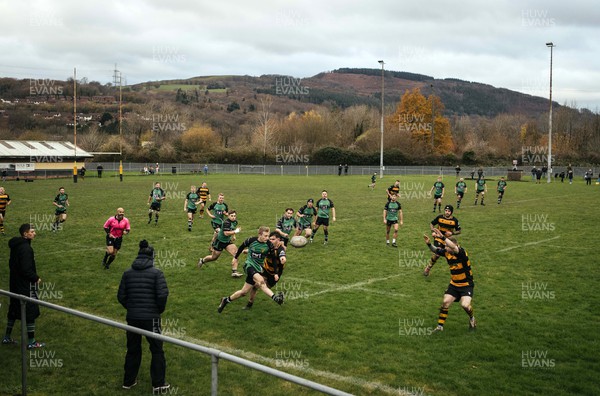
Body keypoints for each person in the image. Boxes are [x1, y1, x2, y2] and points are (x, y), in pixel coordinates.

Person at [117, 240, 170, 392]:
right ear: (152, 257)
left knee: (133, 349)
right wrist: (157, 310)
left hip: (132, 317)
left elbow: (121, 296)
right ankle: (158, 384)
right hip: (151, 317)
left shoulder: (127, 273)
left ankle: (128, 381)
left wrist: (132, 308)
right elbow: (162, 295)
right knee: (157, 349)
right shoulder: (157, 273)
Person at [217, 227, 284, 313]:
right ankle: (276, 298)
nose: (267, 238)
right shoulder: (251, 240)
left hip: (258, 268)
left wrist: (275, 273)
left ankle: (225, 300)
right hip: (248, 265)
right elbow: (241, 246)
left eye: (268, 236)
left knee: (243, 292)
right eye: (265, 236)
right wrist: (235, 258)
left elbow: (274, 259)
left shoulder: (269, 245)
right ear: (259, 235)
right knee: (261, 281)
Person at [424, 228, 476, 332]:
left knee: (465, 305)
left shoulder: (461, 252)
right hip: (454, 284)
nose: (445, 247)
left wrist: (443, 237)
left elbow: (453, 247)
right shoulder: (447, 252)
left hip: (466, 285)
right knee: (445, 302)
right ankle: (440, 327)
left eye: (447, 246)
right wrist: (429, 244)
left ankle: (472, 318)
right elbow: (436, 250)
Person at [2, 224, 45, 348]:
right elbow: (26, 269)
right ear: (25, 234)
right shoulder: (26, 249)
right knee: (30, 310)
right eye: (32, 231)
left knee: (14, 309)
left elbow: (12, 264)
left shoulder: (16, 246)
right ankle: (31, 342)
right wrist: (36, 278)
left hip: (14, 283)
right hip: (25, 285)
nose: (35, 233)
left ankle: (7, 337)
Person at [244, 231, 287, 310]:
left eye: (273, 239)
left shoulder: (280, 249)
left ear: (278, 240)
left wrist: (283, 259)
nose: (270, 240)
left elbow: (282, 256)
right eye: (270, 239)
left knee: (265, 288)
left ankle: (279, 296)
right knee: (256, 286)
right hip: (264, 270)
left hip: (274, 274)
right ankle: (250, 303)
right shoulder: (268, 245)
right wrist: (247, 251)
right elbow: (260, 250)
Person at [197, 211, 244, 278]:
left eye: (234, 216)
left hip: (227, 241)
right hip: (220, 242)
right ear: (228, 216)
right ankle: (202, 260)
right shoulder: (226, 223)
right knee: (214, 258)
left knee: (236, 254)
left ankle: (234, 272)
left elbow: (232, 229)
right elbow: (226, 233)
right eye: (232, 216)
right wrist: (236, 231)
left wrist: (234, 235)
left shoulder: (235, 222)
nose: (233, 217)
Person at [424, 204, 461, 277]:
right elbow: (432, 224)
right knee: (437, 254)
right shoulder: (440, 217)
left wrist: (452, 233)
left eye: (449, 211)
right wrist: (433, 231)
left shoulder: (454, 220)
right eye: (446, 210)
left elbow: (459, 231)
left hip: (448, 240)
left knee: (453, 254)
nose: (447, 212)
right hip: (438, 238)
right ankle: (428, 267)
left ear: (451, 212)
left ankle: (457, 271)